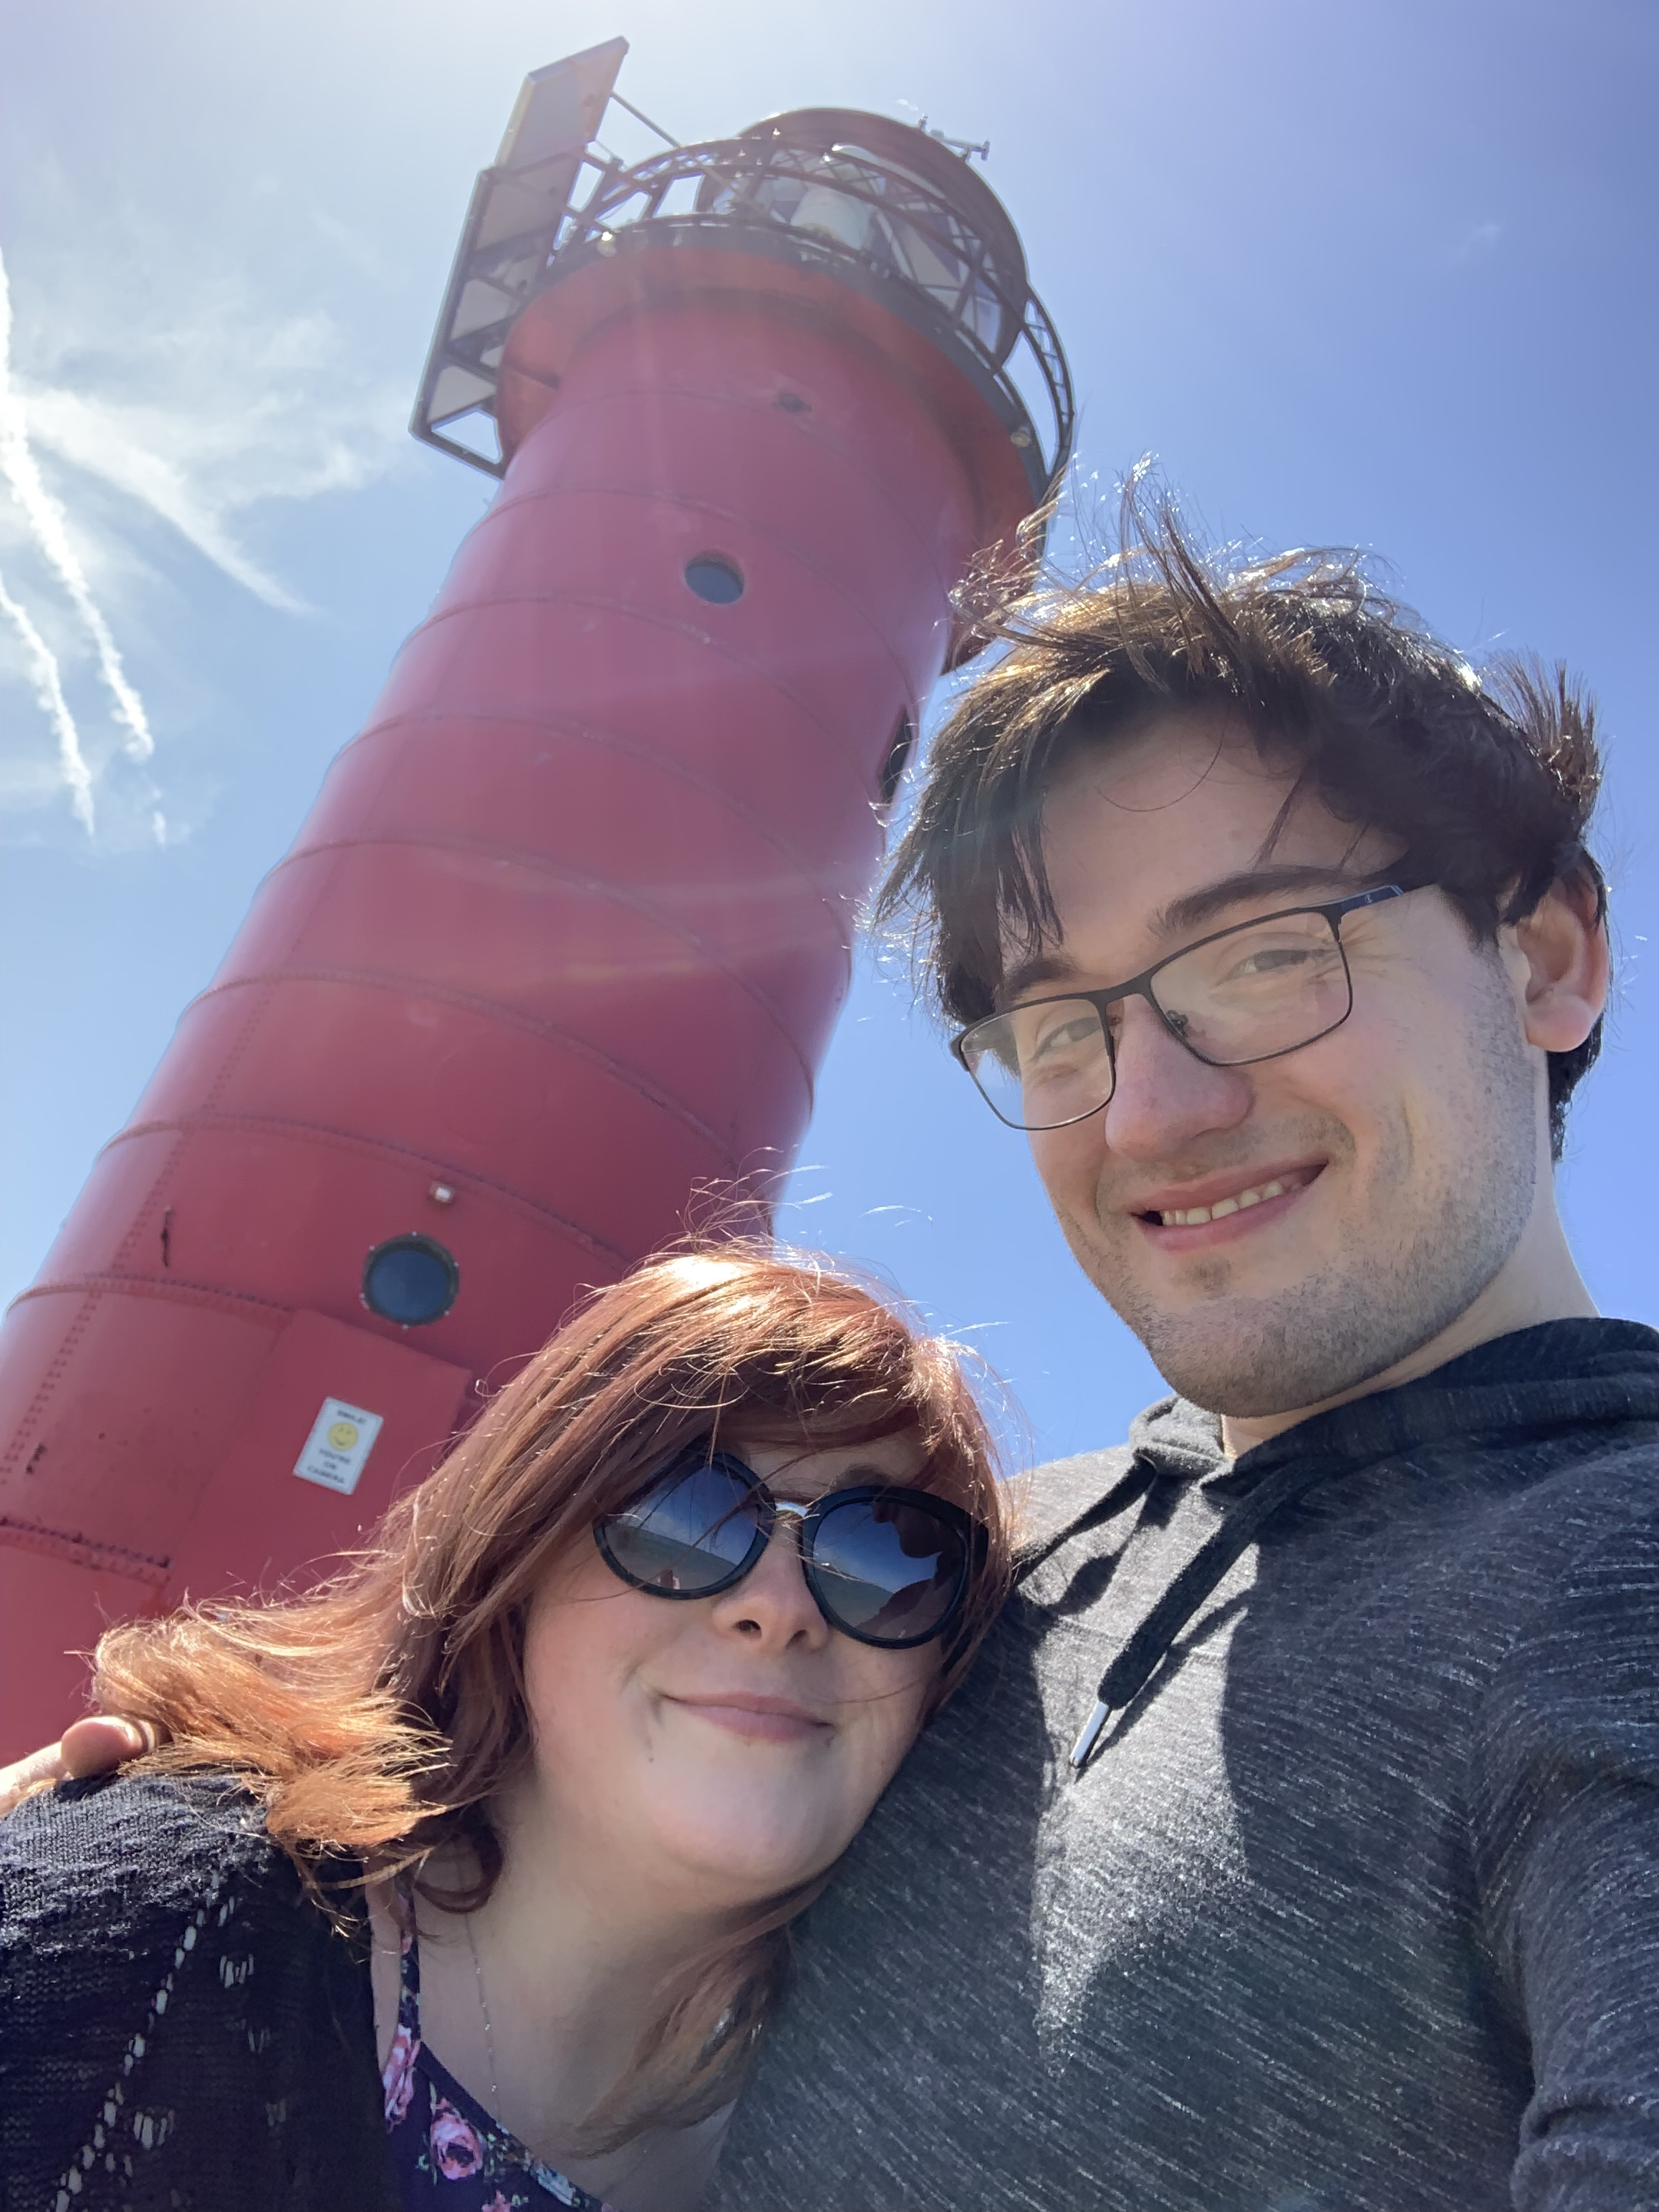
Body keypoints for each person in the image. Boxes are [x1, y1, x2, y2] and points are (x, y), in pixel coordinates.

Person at [12, 494, 1659, 2212]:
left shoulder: (1614, 1589)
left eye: (1261, 957)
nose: (1151, 1109)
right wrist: (147, 1859)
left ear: (1547, 957)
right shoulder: (979, 1553)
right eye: (1058, 1024)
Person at [0, 1247, 1011, 2211]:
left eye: (891, 1554)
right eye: (685, 1511)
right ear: (518, 1554)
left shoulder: (932, 2152)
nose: (778, 1606)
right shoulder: (144, 1933)